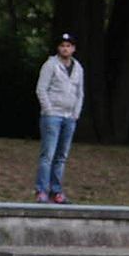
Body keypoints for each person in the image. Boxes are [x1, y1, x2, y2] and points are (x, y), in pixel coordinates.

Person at [34, 32, 84, 204]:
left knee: (61, 156)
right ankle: (41, 190)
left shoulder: (78, 68)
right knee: (48, 154)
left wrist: (75, 113)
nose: (65, 48)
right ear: (58, 48)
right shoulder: (51, 65)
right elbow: (41, 89)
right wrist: (48, 110)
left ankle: (56, 191)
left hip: (69, 117)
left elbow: (80, 93)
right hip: (52, 116)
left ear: (73, 48)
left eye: (68, 46)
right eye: (62, 45)